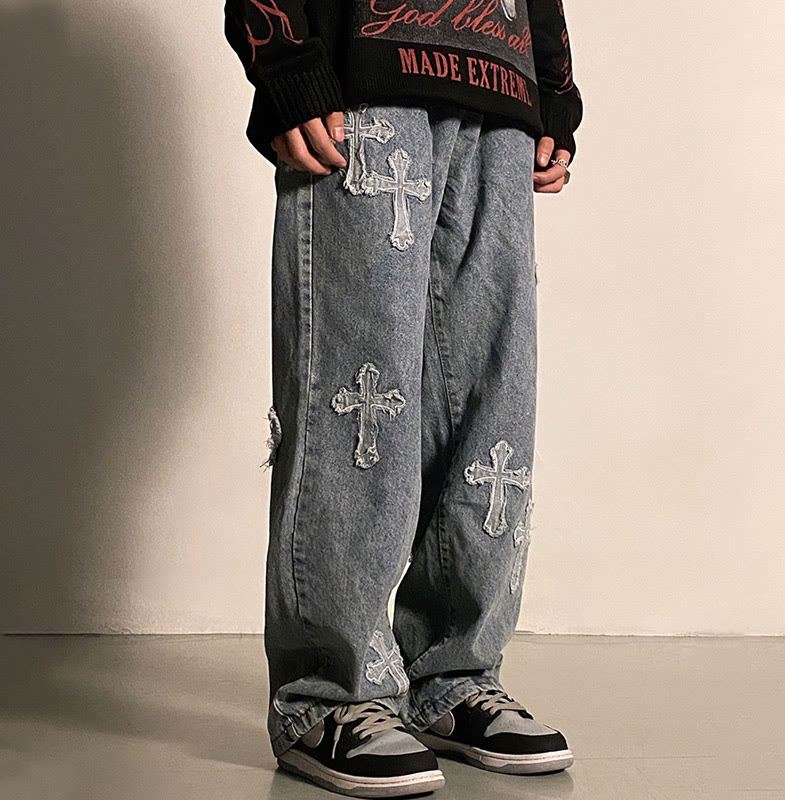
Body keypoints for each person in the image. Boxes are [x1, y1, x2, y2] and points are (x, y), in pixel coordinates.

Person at [224, 1, 583, 796]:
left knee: (492, 391)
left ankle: (455, 674)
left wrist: (553, 83)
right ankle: (328, 694)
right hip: (362, 68)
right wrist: (285, 55)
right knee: (359, 384)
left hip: (501, 78)